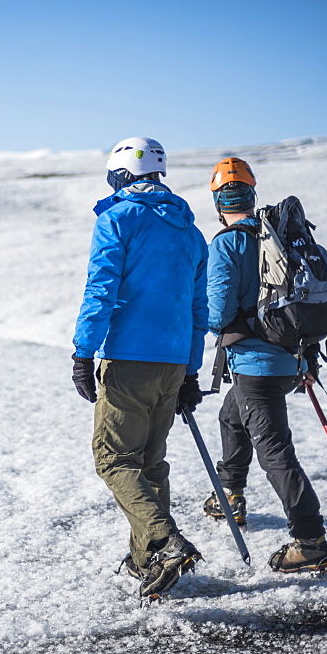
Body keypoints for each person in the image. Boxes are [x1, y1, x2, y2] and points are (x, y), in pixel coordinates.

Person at [71, 137, 209, 597]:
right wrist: (190, 372)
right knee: (150, 464)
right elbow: (197, 309)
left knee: (114, 458)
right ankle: (143, 559)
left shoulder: (117, 219)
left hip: (130, 357)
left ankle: (166, 543)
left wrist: (83, 353)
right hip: (171, 363)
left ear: (122, 173)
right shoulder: (191, 233)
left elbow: (101, 289)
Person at [203, 157, 327, 572]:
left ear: (218, 203)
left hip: (255, 367)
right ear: (252, 194)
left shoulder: (228, 243)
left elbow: (218, 311)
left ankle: (310, 539)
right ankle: (230, 493)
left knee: (276, 452)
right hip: (289, 361)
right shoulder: (278, 239)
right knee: (232, 415)